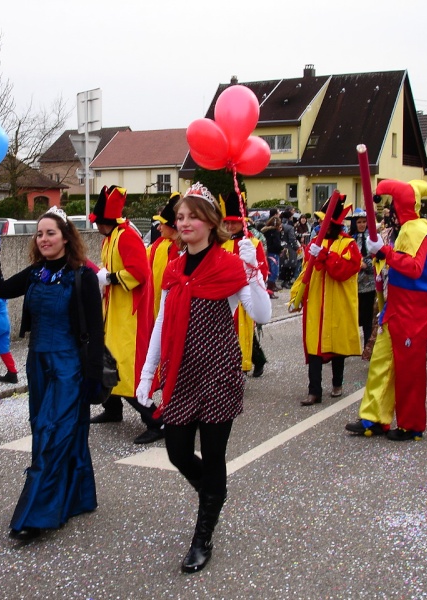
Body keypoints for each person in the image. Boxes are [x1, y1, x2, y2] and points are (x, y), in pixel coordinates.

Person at [135, 182, 272, 574]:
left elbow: (261, 315)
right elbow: (162, 321)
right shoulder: (175, 267)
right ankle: (214, 494)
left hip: (218, 373)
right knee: (178, 451)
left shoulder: (230, 265)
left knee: (213, 455)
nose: (185, 222)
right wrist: (148, 374)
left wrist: (254, 271)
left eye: (193, 215)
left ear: (212, 222)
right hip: (181, 372)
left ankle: (203, 533)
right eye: (180, 216)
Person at [0, 205, 103, 541]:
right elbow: (0, 289)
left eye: (51, 232)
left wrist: (91, 378)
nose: (44, 238)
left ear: (65, 237)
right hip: (38, 365)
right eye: (40, 233)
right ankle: (77, 496)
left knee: (53, 434)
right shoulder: (35, 273)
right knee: (49, 430)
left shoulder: (83, 276)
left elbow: (96, 330)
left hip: (69, 367)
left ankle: (38, 513)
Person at [346, 180, 427, 441]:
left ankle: (412, 425)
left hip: (413, 310)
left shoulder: (418, 229)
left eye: (393, 207)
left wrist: (385, 252)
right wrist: (382, 259)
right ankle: (374, 418)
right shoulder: (407, 229)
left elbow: (415, 268)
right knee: (381, 362)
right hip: (396, 306)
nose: (390, 212)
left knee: (409, 369)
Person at [88, 186, 163, 444]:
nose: (96, 225)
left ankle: (154, 419)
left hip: (129, 315)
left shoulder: (126, 236)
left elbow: (140, 273)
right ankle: (112, 409)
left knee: (126, 368)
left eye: (98, 221)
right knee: (109, 360)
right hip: (115, 311)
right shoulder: (110, 238)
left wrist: (109, 278)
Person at [289, 194, 362, 405]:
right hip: (315, 303)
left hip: (337, 303)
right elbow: (305, 272)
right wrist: (297, 295)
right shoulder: (314, 242)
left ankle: (337, 383)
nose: (322, 224)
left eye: (326, 221)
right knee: (314, 348)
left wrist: (326, 256)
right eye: (320, 220)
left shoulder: (348, 244)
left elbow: (344, 271)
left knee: (336, 348)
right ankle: (314, 391)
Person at [220, 191, 269, 377]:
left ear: (243, 222)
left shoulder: (252, 243)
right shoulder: (220, 243)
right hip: (224, 297)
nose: (230, 226)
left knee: (243, 335)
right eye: (228, 222)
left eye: (234, 222)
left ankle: (244, 367)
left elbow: (261, 271)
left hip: (244, 298)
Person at [147, 193, 182, 317]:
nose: (158, 228)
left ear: (172, 226)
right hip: (156, 309)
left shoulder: (184, 248)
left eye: (162, 224)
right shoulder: (159, 244)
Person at [348, 208, 378, 350]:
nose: (362, 224)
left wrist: (367, 265)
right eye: (359, 222)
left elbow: (379, 257)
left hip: (370, 284)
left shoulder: (373, 238)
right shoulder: (349, 239)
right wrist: (357, 263)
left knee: (368, 319)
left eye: (364, 222)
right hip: (353, 284)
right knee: (352, 318)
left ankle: (367, 345)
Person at [261, 216, 283, 299]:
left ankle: (270, 288)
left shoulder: (265, 231)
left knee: (269, 271)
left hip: (267, 253)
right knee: (274, 272)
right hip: (274, 253)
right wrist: (281, 248)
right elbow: (276, 244)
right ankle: (270, 290)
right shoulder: (275, 232)